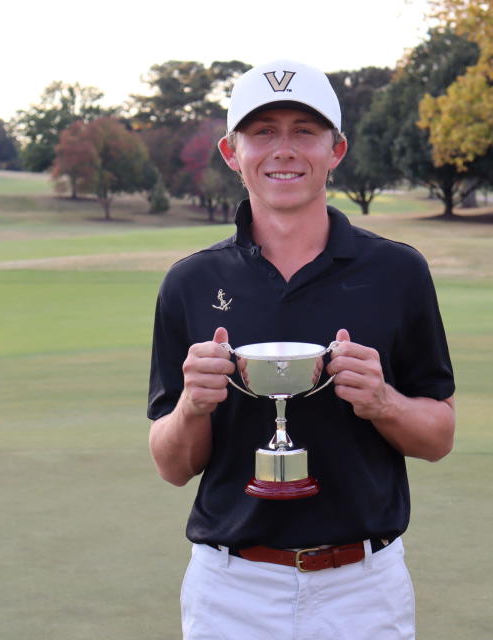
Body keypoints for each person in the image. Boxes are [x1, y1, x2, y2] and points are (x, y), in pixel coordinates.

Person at [147, 59, 455, 640]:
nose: (283, 150)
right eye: (262, 132)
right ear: (231, 151)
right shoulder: (188, 283)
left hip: (364, 588)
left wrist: (384, 402)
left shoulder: (397, 271)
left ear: (336, 149)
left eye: (303, 131)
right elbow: (171, 466)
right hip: (230, 590)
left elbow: (438, 436)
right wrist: (192, 405)